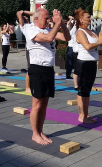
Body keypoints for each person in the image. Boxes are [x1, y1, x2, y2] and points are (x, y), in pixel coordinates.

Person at [25, 8, 70, 145]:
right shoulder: (31, 30)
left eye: (49, 18)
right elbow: (49, 38)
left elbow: (66, 38)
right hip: (37, 69)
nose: (49, 20)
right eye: (46, 18)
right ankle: (34, 134)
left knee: (44, 104)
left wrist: (61, 23)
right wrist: (57, 23)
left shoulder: (47, 30)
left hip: (48, 69)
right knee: (37, 104)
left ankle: (40, 131)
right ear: (37, 18)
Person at [74, 8, 102, 124]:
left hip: (92, 62)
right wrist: (99, 41)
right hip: (84, 63)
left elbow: (100, 44)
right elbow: (87, 46)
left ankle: (86, 114)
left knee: (87, 90)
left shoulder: (91, 31)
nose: (90, 19)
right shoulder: (80, 32)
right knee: (82, 90)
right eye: (88, 17)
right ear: (81, 20)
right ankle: (81, 115)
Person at [16, 10, 34, 93]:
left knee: (36, 69)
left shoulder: (33, 24)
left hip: (36, 50)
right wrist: (21, 13)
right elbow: (18, 14)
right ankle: (27, 88)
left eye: (26, 17)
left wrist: (24, 12)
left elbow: (34, 14)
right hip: (30, 50)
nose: (26, 17)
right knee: (30, 69)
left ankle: (34, 85)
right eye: (24, 17)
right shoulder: (23, 27)